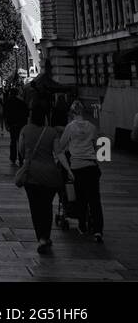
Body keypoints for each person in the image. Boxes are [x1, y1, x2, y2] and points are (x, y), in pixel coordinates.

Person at [17, 102, 62, 255]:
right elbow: (58, 153)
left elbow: (21, 150)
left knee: (35, 208)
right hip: (50, 175)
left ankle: (41, 238)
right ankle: (46, 236)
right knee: (47, 207)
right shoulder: (51, 132)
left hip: (31, 175)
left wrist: (29, 158)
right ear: (45, 116)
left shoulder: (25, 130)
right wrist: (68, 170)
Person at [56, 101, 104, 242]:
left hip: (77, 166)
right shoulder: (92, 127)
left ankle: (82, 225)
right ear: (83, 112)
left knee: (81, 198)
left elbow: (61, 145)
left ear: (71, 113)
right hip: (91, 166)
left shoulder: (70, 128)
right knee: (95, 200)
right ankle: (98, 231)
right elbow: (96, 146)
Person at [4, 87, 29, 165]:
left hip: (12, 125)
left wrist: (6, 124)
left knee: (13, 141)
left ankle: (13, 158)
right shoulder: (21, 103)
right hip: (21, 124)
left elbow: (6, 114)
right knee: (20, 142)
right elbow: (26, 114)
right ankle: (21, 158)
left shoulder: (8, 102)